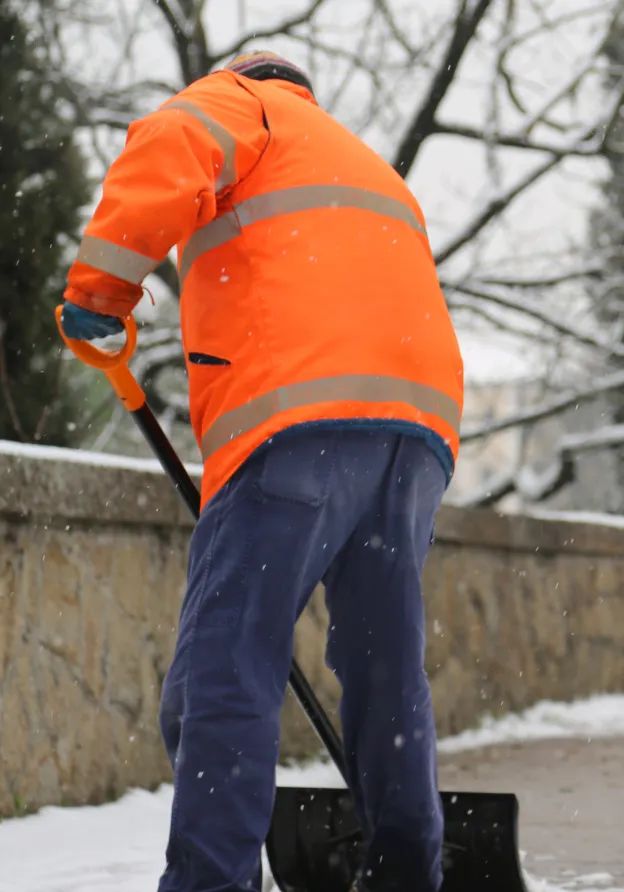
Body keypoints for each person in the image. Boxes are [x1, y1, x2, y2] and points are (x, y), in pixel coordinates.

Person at [59, 51, 462, 892]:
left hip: (297, 419)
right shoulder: (362, 159)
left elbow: (170, 141)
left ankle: (212, 881)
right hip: (415, 429)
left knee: (224, 668)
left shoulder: (240, 104)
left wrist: (101, 292)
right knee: (384, 663)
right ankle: (405, 870)